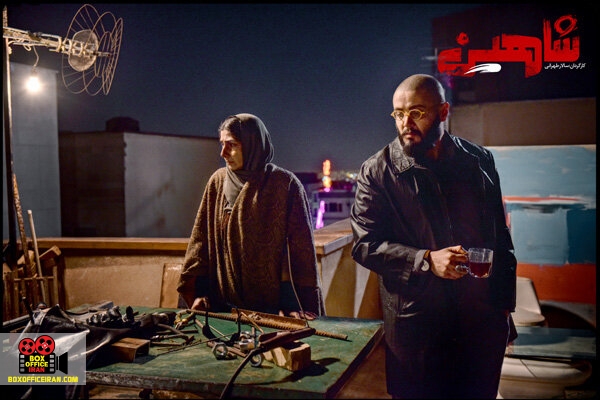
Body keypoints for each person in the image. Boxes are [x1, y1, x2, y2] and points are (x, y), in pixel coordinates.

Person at [350, 74, 517, 399]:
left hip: (479, 324)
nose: (405, 122)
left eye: (417, 112)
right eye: (399, 113)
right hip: (417, 329)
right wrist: (425, 260)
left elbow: (500, 237)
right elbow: (364, 244)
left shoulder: (479, 160)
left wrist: (504, 310)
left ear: (443, 112)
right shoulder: (377, 170)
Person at [177, 113, 325, 319]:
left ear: (253, 145)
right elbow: (201, 242)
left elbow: (299, 252)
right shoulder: (217, 182)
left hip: (273, 312)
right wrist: (200, 292)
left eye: (232, 145)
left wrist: (292, 303)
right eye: (222, 144)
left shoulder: (284, 185)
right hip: (222, 308)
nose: (223, 153)